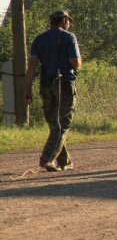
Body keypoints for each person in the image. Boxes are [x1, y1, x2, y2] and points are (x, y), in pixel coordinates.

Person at [23, 9, 82, 172]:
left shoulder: (39, 39)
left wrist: (26, 89)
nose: (69, 23)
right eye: (68, 20)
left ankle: (65, 161)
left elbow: (32, 66)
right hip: (64, 84)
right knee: (63, 125)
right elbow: (75, 62)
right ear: (63, 20)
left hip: (46, 84)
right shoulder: (69, 37)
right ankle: (47, 159)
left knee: (54, 126)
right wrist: (79, 64)